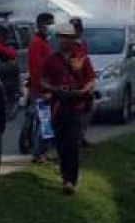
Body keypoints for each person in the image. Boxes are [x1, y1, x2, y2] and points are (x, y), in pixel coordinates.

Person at [41, 22, 95, 195]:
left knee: (72, 143)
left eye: (68, 37)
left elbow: (90, 80)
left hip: (76, 105)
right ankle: (66, 177)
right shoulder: (51, 60)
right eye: (62, 37)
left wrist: (81, 91)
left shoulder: (82, 59)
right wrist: (54, 89)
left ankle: (70, 180)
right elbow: (42, 80)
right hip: (58, 105)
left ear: (74, 39)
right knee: (62, 145)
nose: (65, 41)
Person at [27, 12, 55, 164]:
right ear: (41, 24)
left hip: (43, 87)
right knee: (45, 122)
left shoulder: (43, 42)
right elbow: (37, 69)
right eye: (50, 24)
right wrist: (44, 89)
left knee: (43, 121)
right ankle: (38, 154)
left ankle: (42, 151)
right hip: (41, 89)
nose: (52, 27)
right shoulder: (37, 43)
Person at [68, 17, 96, 147]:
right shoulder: (67, 45)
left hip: (83, 81)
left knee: (87, 109)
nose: (75, 31)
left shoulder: (82, 43)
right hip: (70, 81)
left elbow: (84, 61)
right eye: (73, 29)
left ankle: (80, 136)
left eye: (77, 29)